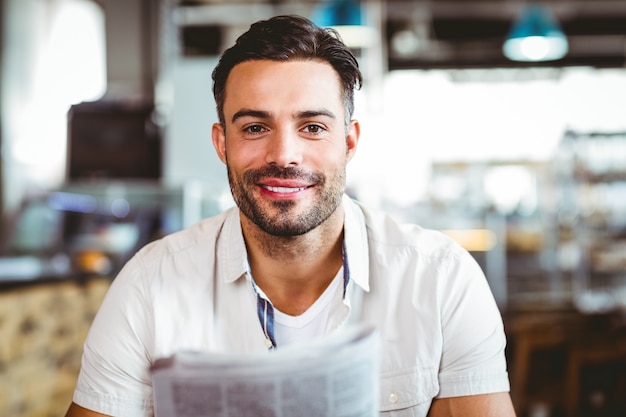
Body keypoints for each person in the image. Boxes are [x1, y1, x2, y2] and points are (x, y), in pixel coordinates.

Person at [66, 14, 516, 417]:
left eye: (313, 127)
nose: (283, 155)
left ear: (349, 142)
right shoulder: (149, 286)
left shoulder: (440, 280)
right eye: (255, 128)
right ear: (222, 144)